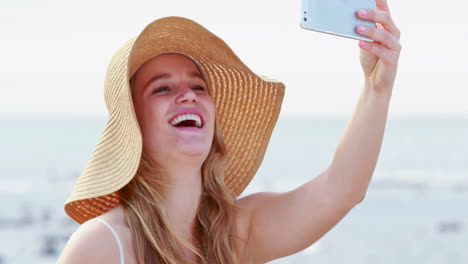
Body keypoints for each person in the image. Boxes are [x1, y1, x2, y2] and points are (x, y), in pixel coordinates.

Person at [58, 1, 401, 263]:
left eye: (199, 86)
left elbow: (341, 192)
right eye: (162, 89)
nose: (188, 94)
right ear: (133, 125)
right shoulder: (102, 245)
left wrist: (377, 88)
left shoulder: (233, 233)